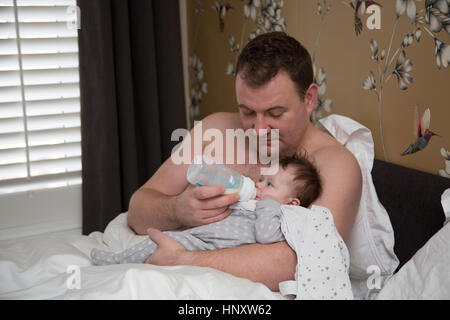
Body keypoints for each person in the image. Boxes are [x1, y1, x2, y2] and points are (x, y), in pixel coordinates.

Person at [127, 32, 362, 291]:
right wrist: (176, 210)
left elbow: (300, 261)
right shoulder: (214, 129)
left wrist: (184, 260)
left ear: (308, 99)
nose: (259, 129)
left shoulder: (335, 166)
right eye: (247, 112)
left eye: (275, 113)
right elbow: (137, 211)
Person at [91, 155, 322, 265]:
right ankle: (120, 259)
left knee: (158, 243)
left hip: (211, 247)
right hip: (203, 235)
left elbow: (265, 235)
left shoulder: (280, 216)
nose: (259, 185)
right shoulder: (257, 204)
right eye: (261, 179)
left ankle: (114, 262)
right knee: (164, 240)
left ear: (292, 203)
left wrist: (268, 205)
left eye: (269, 184)